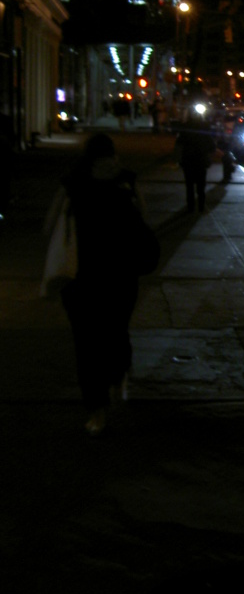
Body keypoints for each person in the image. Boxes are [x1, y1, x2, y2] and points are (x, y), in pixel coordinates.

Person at [58, 134, 145, 435]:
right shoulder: (127, 181)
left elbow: (53, 227)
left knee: (86, 344)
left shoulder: (73, 183)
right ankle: (119, 371)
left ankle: (97, 411)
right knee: (116, 330)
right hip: (121, 276)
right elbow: (143, 221)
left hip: (83, 277)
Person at [175, 111, 216, 213]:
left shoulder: (185, 127)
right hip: (201, 159)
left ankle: (191, 206)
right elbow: (211, 145)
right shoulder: (204, 127)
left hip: (188, 159)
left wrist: (178, 159)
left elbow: (179, 144)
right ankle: (201, 206)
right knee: (201, 185)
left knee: (189, 186)